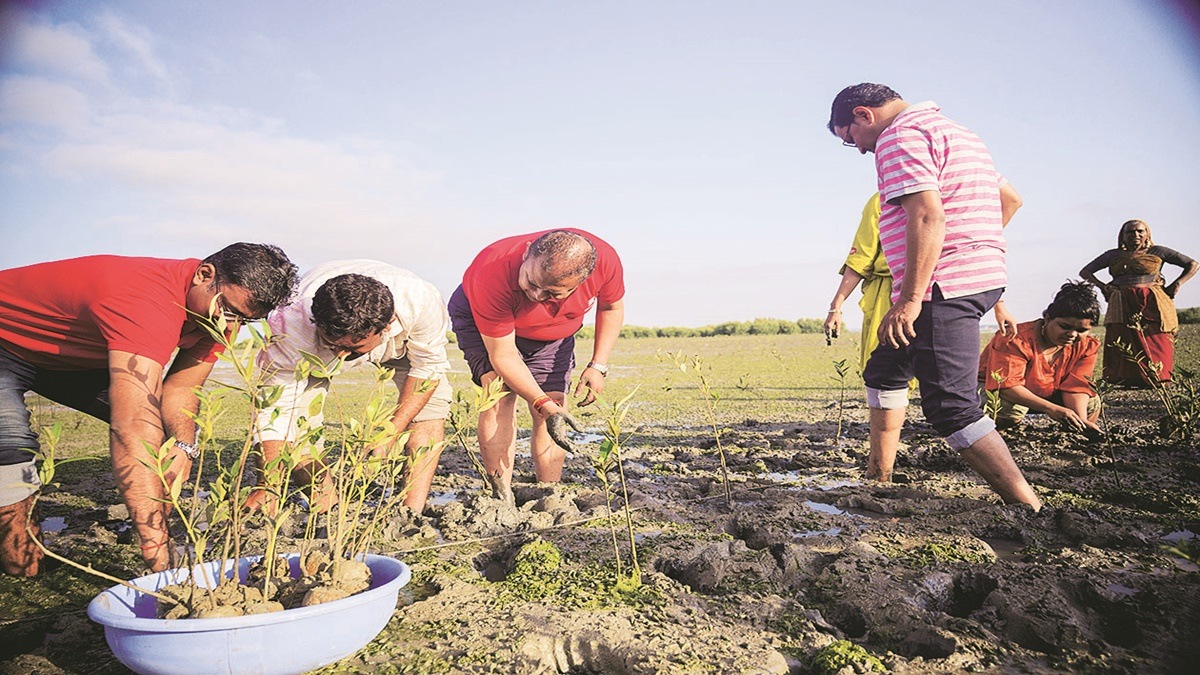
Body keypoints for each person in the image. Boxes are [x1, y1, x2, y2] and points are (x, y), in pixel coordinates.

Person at [0, 244, 298, 576]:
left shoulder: (218, 316)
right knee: (11, 445)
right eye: (228, 310)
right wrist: (157, 554)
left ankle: (153, 529)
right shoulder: (146, 303)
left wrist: (185, 446)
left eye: (246, 319)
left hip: (65, 358)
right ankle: (23, 564)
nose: (229, 324)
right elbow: (132, 429)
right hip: (5, 341)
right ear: (204, 275)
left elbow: (182, 388)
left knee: (164, 431)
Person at [828, 82, 1041, 509]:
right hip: (978, 278)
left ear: (864, 115)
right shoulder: (957, 133)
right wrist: (974, 243)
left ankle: (1029, 506)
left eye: (850, 138)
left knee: (950, 406)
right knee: (886, 369)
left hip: (942, 288)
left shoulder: (897, 137)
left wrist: (910, 298)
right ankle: (879, 476)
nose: (858, 150)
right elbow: (1010, 199)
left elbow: (926, 214)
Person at [249, 260, 454, 514]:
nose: (342, 357)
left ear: (387, 325)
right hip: (311, 354)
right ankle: (326, 509)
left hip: (403, 343)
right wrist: (268, 486)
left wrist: (391, 430)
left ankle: (410, 512)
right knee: (300, 424)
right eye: (334, 344)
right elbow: (275, 407)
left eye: (354, 349)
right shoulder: (291, 322)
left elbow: (428, 369)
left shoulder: (421, 301)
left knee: (430, 411)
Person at [449, 229, 624, 503]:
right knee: (498, 395)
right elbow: (504, 356)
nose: (535, 294)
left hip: (552, 332)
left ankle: (549, 493)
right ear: (528, 251)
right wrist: (539, 400)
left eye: (552, 292)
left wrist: (598, 365)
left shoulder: (606, 263)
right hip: (486, 324)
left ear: (582, 282)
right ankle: (501, 496)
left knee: (555, 404)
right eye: (530, 280)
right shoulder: (491, 271)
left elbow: (611, 308)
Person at [825, 193, 1019, 373]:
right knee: (924, 370)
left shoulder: (885, 199)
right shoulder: (954, 197)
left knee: (887, 372)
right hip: (937, 288)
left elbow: (861, 256)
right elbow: (1012, 201)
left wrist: (836, 306)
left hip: (904, 290)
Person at [1080, 219, 1198, 386]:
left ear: (1146, 234)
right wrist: (1102, 287)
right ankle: (1124, 378)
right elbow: (1085, 271)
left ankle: (1157, 377)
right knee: (1122, 335)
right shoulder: (1113, 255)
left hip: (1151, 301)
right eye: (1130, 232)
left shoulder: (1157, 251)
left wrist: (1177, 284)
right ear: (1123, 236)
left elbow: (1192, 264)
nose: (1135, 235)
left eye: (1140, 231)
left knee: (1155, 337)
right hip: (1121, 300)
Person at [979, 281, 1103, 435]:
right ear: (1047, 318)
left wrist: (1080, 421)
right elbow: (1006, 387)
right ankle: (992, 434)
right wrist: (1051, 408)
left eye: (1082, 330)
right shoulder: (1016, 339)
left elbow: (1076, 386)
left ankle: (1074, 433)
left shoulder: (1086, 346)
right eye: (1064, 326)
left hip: (1042, 394)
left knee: (1092, 402)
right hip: (993, 390)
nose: (1072, 334)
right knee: (1011, 409)